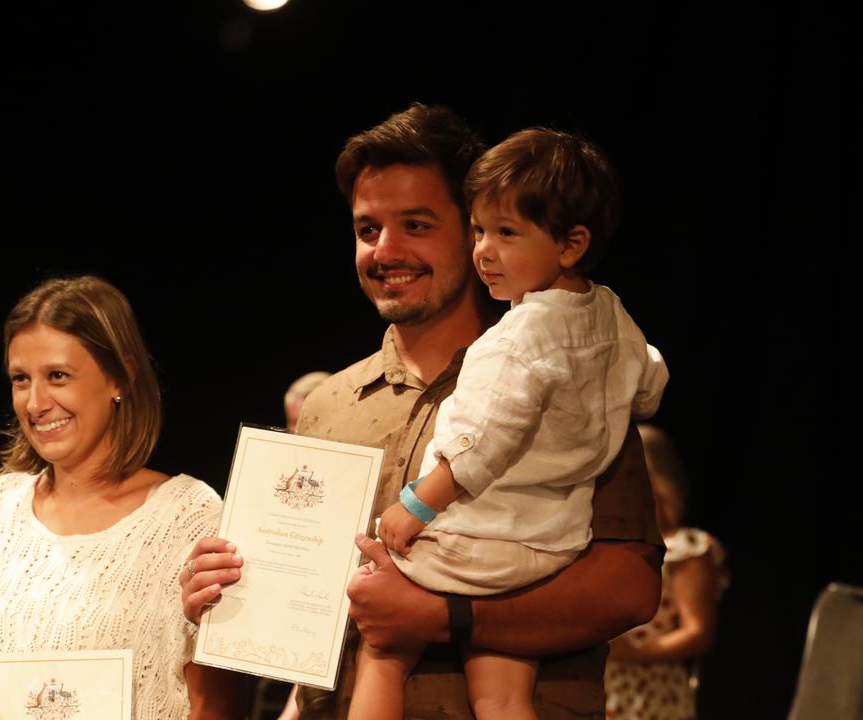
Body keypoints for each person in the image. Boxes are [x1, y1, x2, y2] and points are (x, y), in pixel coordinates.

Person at [181, 103, 666, 719]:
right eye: (366, 230)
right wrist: (231, 592)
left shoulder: (565, 372)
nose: (386, 250)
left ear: (475, 230)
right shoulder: (328, 404)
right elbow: (313, 616)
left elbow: (629, 587)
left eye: (416, 224)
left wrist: (446, 618)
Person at [358, 128, 669, 719]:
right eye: (480, 231)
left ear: (572, 244)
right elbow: (649, 379)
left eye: (505, 233)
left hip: (479, 543)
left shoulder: (513, 342)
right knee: (502, 698)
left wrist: (415, 508)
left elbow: (479, 445)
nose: (485, 251)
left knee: (382, 627)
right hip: (551, 543)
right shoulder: (610, 314)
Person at [0, 276, 246, 720]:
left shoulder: (190, 517)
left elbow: (220, 706)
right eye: (20, 379)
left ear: (121, 377)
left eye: (57, 376)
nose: (35, 403)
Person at [604, 425, 728, 720]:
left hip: (652, 691)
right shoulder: (611, 545)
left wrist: (635, 654)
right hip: (605, 683)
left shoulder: (685, 548)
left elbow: (697, 632)